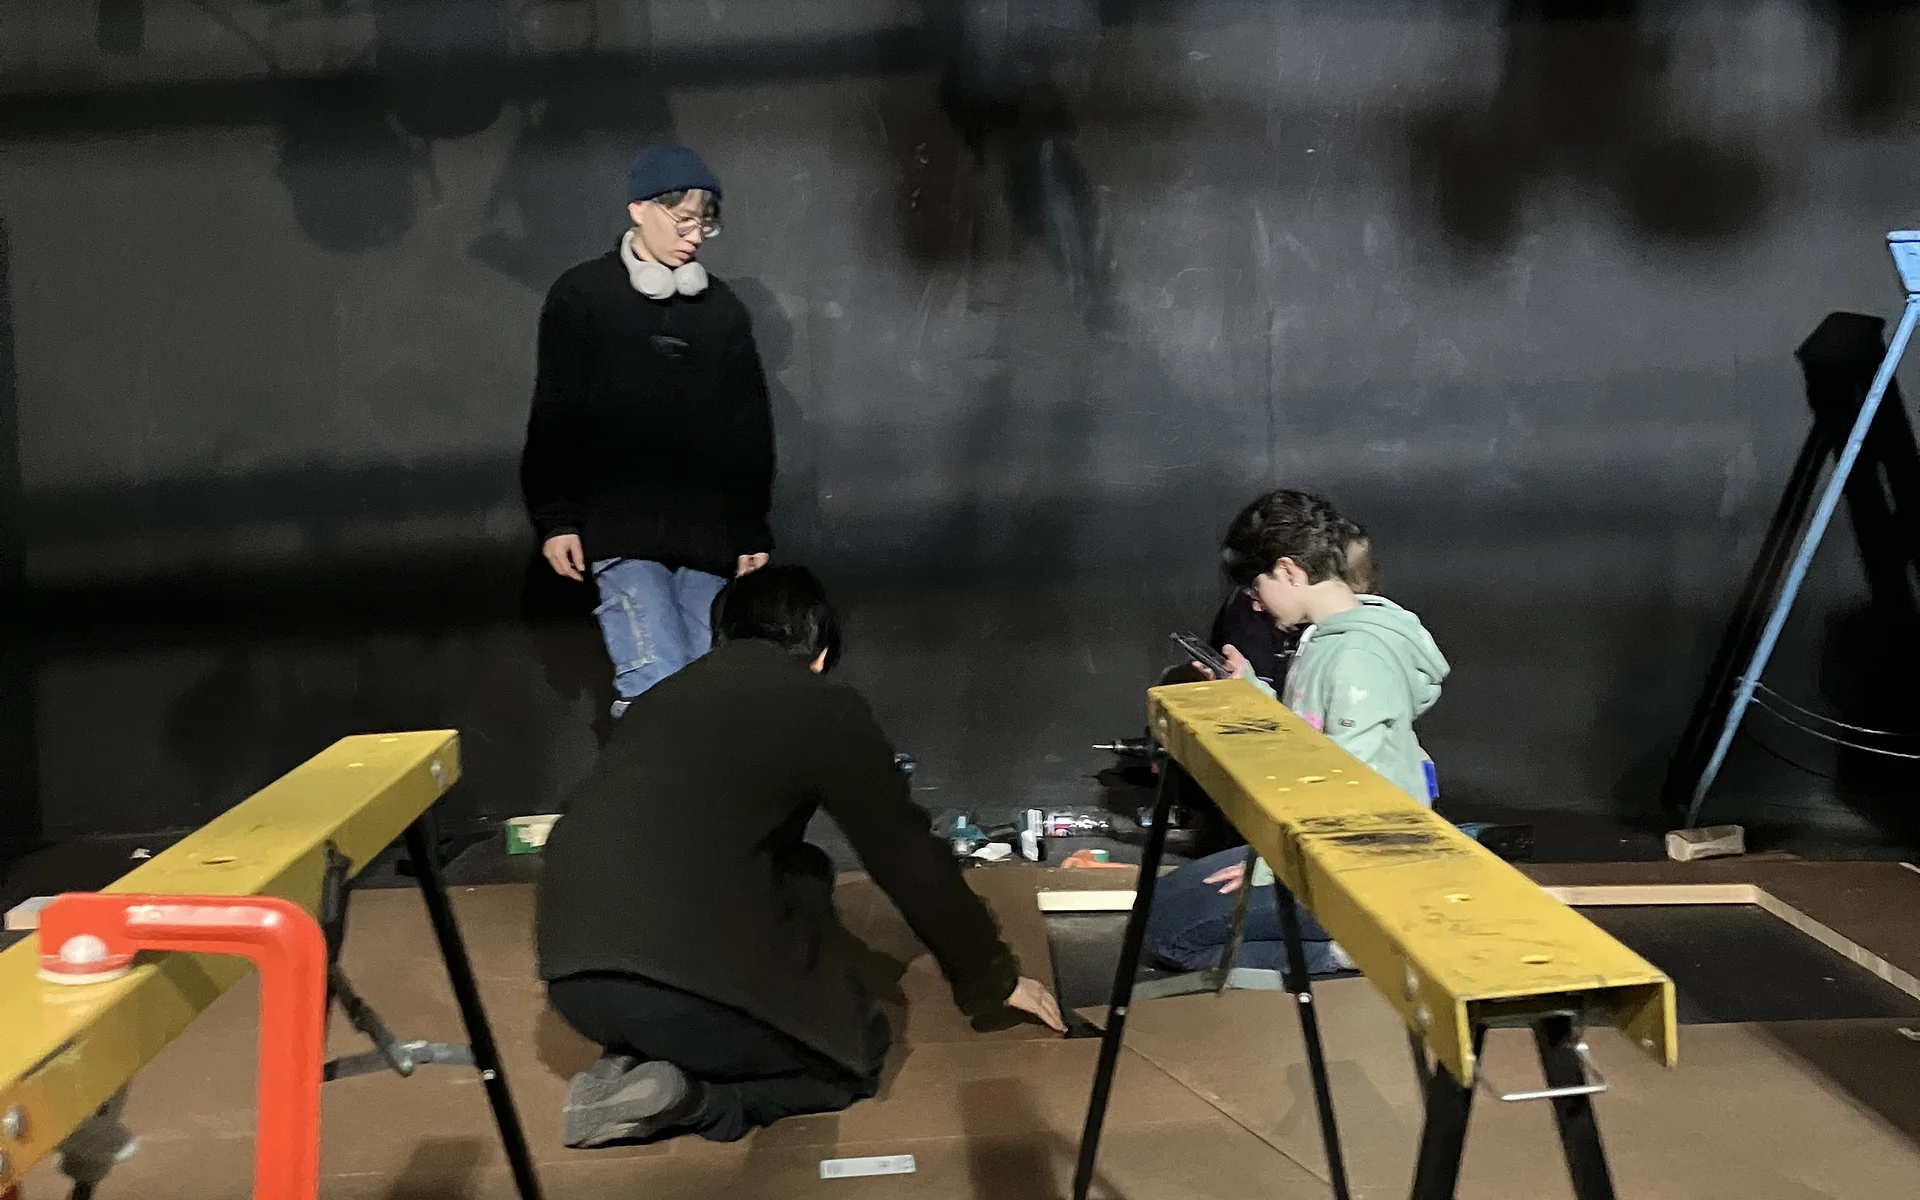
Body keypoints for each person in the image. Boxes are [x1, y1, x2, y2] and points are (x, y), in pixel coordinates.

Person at [534, 565, 1065, 1148]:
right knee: (848, 1059)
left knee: (801, 867)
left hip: (573, 983)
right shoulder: (821, 704)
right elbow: (905, 853)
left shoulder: (657, 702)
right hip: (680, 992)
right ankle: (696, 1099)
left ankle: (632, 1057)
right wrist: (989, 977)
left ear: (722, 635)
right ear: (820, 650)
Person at [520, 143, 775, 718]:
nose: (694, 236)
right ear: (639, 208)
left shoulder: (722, 310)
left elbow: (749, 427)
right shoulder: (582, 296)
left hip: (708, 540)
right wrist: (557, 518)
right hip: (621, 531)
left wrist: (750, 530)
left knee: (709, 690)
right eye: (683, 220)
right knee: (657, 683)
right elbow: (556, 410)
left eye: (705, 225)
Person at [1147, 491, 1448, 977]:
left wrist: (1272, 865)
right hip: (1323, 847)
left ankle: (1356, 953)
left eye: (1256, 586)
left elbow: (1353, 788)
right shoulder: (1324, 638)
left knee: (1170, 936)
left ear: (1288, 570)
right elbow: (1310, 741)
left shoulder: (1357, 657)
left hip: (1365, 863)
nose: (1255, 603)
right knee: (1158, 908)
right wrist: (1248, 690)